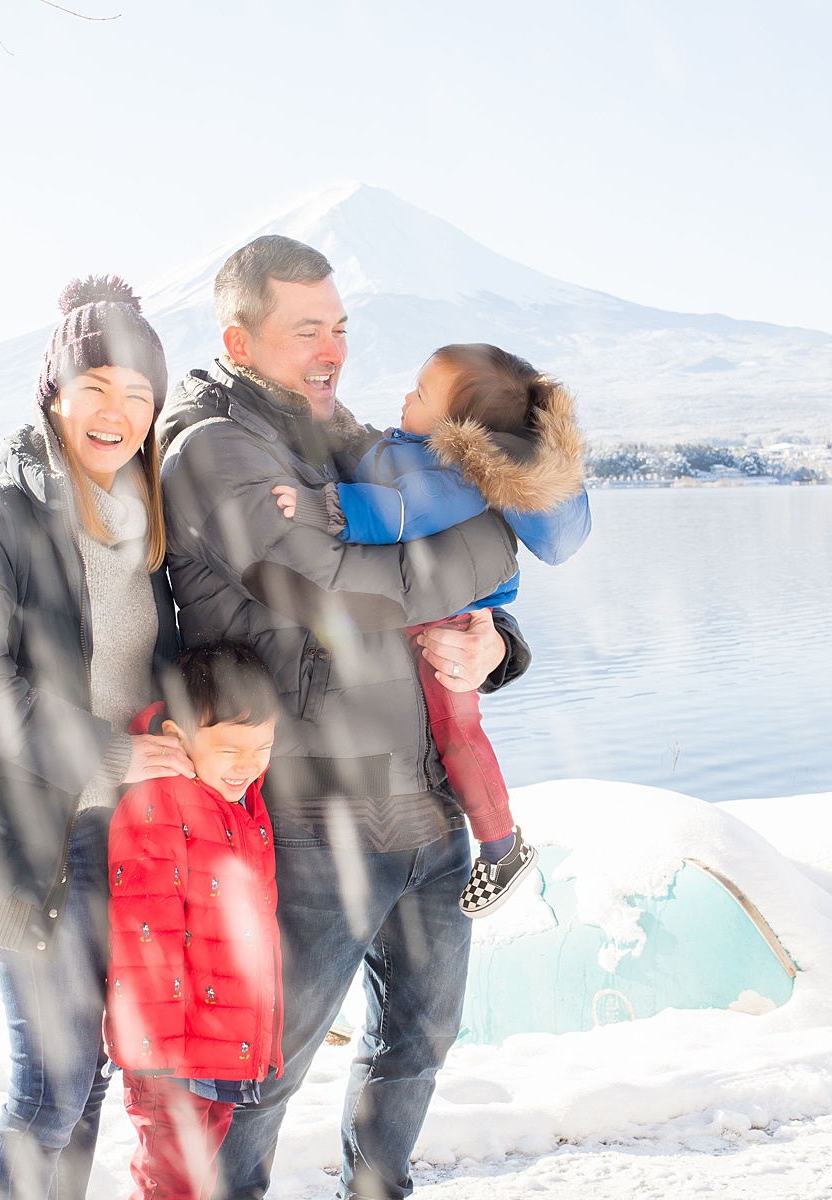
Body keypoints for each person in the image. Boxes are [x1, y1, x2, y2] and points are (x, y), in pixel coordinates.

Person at [156, 235, 529, 1200]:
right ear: (239, 341)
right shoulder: (212, 449)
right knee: (262, 1067)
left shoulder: (342, 432)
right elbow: (333, 591)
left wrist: (496, 643)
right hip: (310, 815)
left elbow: (436, 561)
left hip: (426, 805)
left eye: (340, 327)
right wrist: (495, 546)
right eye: (306, 330)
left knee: (419, 1040)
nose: (333, 351)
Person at [0, 276, 194, 1200]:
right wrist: (106, 755)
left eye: (138, 394)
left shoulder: (145, 522)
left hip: (120, 833)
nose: (117, 412)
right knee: (50, 1087)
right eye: (95, 387)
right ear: (53, 395)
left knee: (89, 1075)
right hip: (23, 831)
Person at [270, 342, 592, 916]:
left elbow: (400, 512)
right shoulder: (419, 450)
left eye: (420, 395)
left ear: (457, 429)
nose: (405, 397)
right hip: (435, 621)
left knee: (458, 733)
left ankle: (501, 845)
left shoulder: (452, 475)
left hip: (450, 619)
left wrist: (327, 507)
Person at [106, 641, 283, 1200]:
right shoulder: (160, 804)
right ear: (175, 738)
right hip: (170, 1053)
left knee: (194, 1181)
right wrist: (157, 1055)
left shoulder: (241, 804)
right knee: (170, 1184)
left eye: (264, 748)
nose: (249, 764)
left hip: (218, 1043)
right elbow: (145, 935)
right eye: (231, 749)